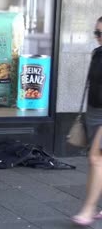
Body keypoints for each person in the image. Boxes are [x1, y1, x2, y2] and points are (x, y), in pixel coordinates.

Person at [71, 16, 102, 226]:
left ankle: (88, 209)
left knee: (95, 158)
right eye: (97, 33)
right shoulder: (97, 53)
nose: (99, 37)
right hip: (92, 111)